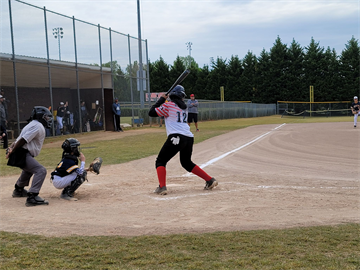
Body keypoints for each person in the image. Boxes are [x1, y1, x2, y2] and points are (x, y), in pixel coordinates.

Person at [148, 85, 218, 195]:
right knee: (186, 163)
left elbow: (151, 112)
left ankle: (162, 187)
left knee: (160, 161)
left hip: (176, 137)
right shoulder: (184, 107)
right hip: (188, 137)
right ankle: (210, 180)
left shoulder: (168, 105)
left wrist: (161, 99)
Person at [6, 106, 53, 207]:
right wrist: (12, 150)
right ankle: (32, 196)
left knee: (28, 169)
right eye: (46, 117)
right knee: (41, 170)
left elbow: (19, 139)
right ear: (40, 116)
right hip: (21, 153)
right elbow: (23, 139)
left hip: (20, 152)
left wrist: (11, 148)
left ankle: (19, 189)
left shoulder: (32, 124)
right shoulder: (38, 126)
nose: (48, 119)